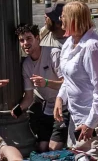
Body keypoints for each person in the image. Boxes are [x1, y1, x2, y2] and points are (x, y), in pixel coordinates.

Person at [53, 2, 98, 155]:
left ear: (74, 20)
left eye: (64, 16)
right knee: (78, 156)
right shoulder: (69, 42)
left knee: (96, 159)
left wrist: (90, 124)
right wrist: (60, 98)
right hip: (78, 112)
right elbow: (68, 77)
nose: (60, 19)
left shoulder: (92, 48)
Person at [13, 23, 63, 153]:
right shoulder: (26, 64)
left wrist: (46, 82)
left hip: (64, 106)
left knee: (53, 148)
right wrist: (18, 110)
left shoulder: (54, 54)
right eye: (21, 40)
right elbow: (29, 97)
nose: (25, 43)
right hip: (47, 109)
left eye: (29, 39)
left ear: (37, 38)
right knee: (41, 147)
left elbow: (67, 83)